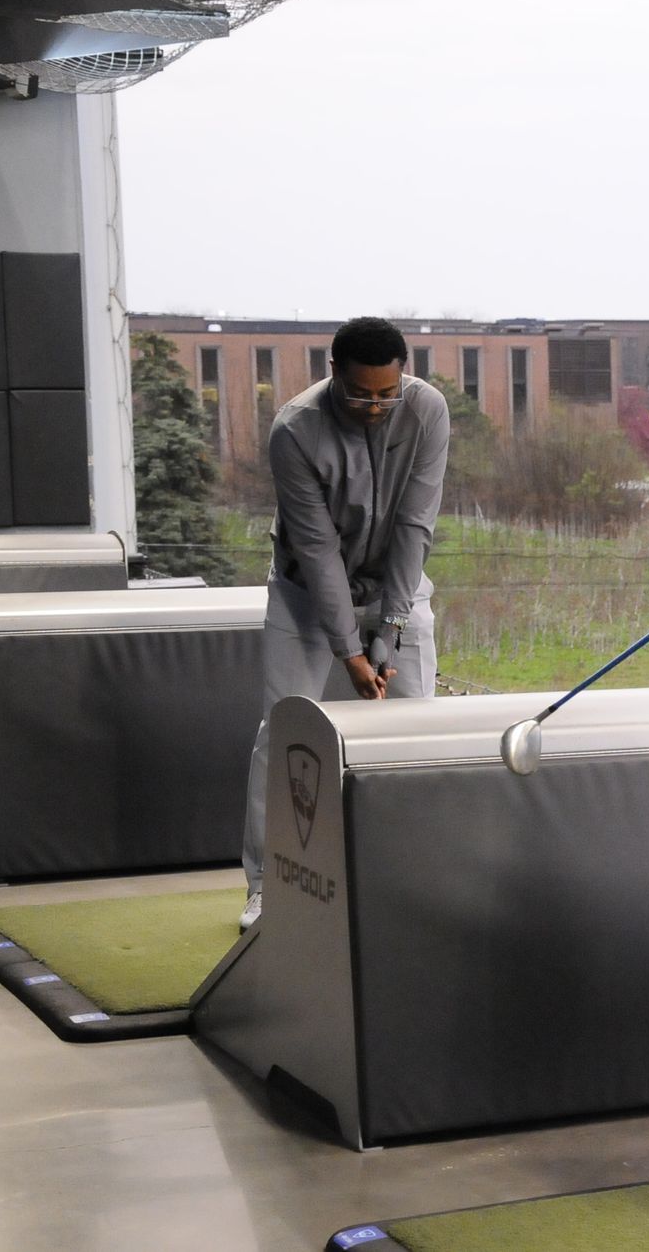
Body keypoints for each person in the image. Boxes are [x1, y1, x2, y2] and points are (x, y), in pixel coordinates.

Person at [237, 316, 449, 929]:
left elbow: (415, 524)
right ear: (334, 373)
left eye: (388, 393)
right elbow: (317, 549)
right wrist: (351, 652)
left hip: (395, 587)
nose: (375, 407)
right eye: (360, 394)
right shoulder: (295, 429)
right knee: (286, 730)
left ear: (404, 376)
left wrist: (392, 628)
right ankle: (268, 886)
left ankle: (410, 876)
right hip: (305, 594)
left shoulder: (427, 410)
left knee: (414, 726)